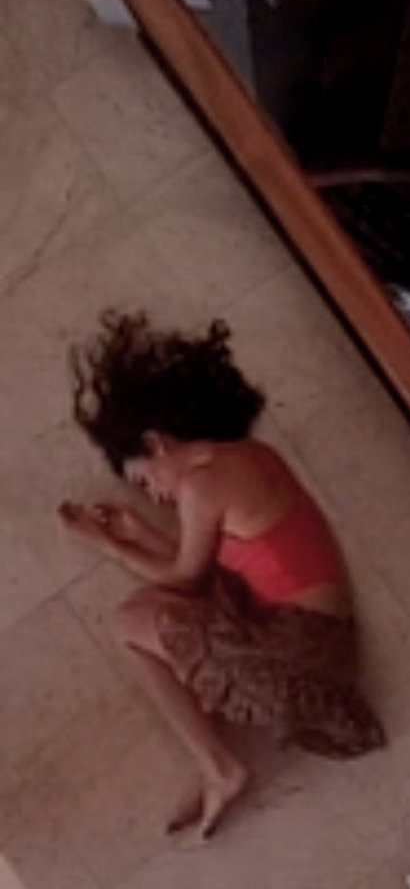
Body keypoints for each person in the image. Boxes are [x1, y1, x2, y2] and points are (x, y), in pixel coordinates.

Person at [58, 311, 385, 838]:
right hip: (318, 643)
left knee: (129, 620)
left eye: (144, 481)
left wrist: (108, 546)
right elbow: (212, 568)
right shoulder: (250, 457)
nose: (155, 495)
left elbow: (186, 579)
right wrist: (138, 534)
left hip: (298, 656)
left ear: (156, 442)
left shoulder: (202, 485)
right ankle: (214, 763)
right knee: (145, 613)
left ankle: (219, 767)